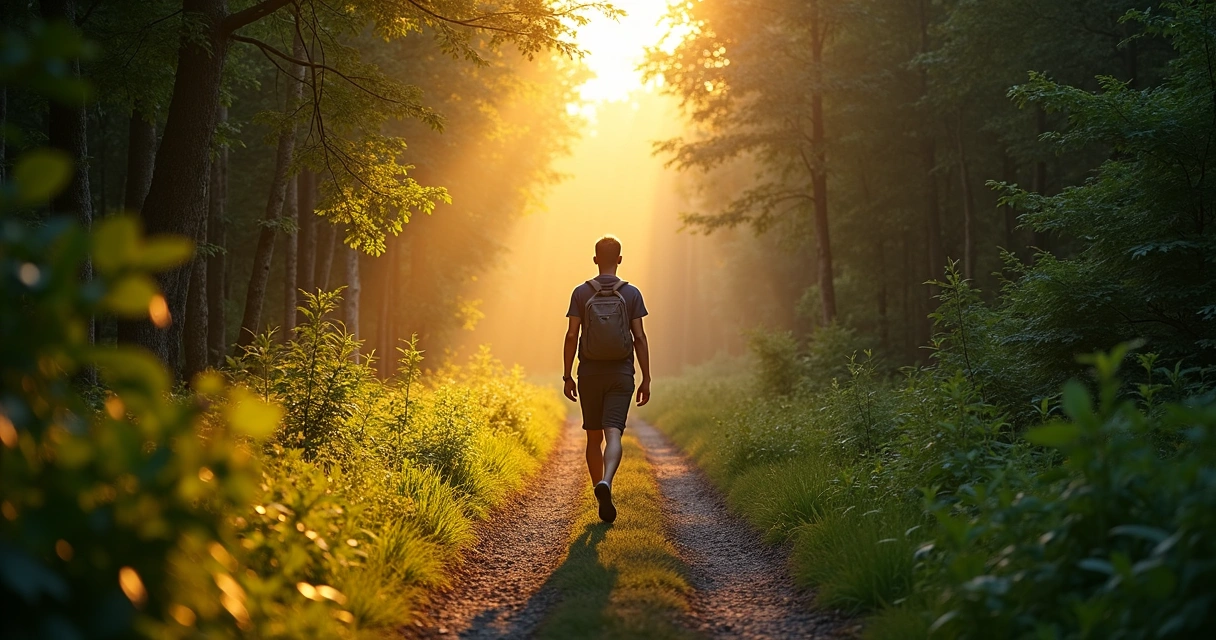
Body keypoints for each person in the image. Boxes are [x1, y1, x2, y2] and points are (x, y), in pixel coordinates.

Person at [563, 235, 651, 523]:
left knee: (593, 437)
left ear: (595, 259)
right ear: (620, 259)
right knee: (614, 432)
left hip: (589, 373)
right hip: (621, 373)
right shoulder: (632, 293)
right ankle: (608, 482)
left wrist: (567, 375)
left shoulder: (580, 293)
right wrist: (646, 378)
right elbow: (638, 337)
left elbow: (572, 336)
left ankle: (597, 487)